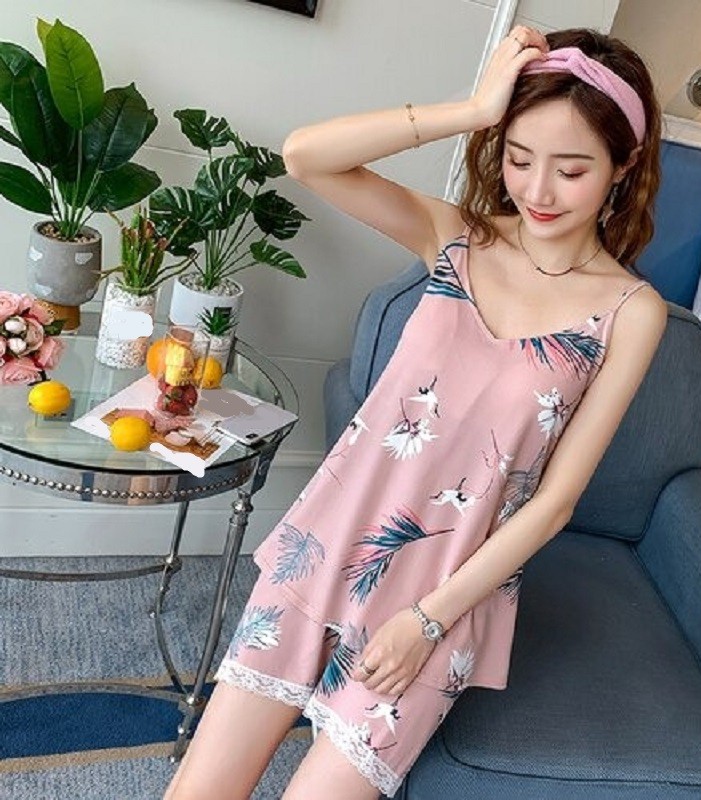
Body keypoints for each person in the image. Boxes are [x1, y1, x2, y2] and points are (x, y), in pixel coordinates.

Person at [165, 24, 668, 800]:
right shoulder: (457, 236)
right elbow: (305, 156)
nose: (537, 191)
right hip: (326, 548)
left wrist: (427, 621)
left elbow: (554, 503)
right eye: (519, 157)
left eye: (571, 170)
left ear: (623, 167)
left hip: (442, 598)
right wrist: (471, 110)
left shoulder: (631, 313)